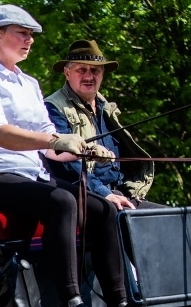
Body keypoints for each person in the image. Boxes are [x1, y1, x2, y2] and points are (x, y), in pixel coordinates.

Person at [0, 5, 127, 307]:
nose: (29, 40)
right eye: (22, 33)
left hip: (28, 174)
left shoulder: (29, 83)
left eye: (31, 35)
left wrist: (81, 148)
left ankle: (120, 306)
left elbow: (49, 145)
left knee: (103, 208)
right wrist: (57, 139)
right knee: (62, 201)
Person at [45, 40, 157, 209]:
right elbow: (65, 164)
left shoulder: (106, 107)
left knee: (171, 217)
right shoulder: (53, 107)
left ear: (102, 74)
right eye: (81, 70)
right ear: (67, 73)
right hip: (86, 194)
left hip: (121, 191)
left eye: (95, 70)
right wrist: (104, 193)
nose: (89, 76)